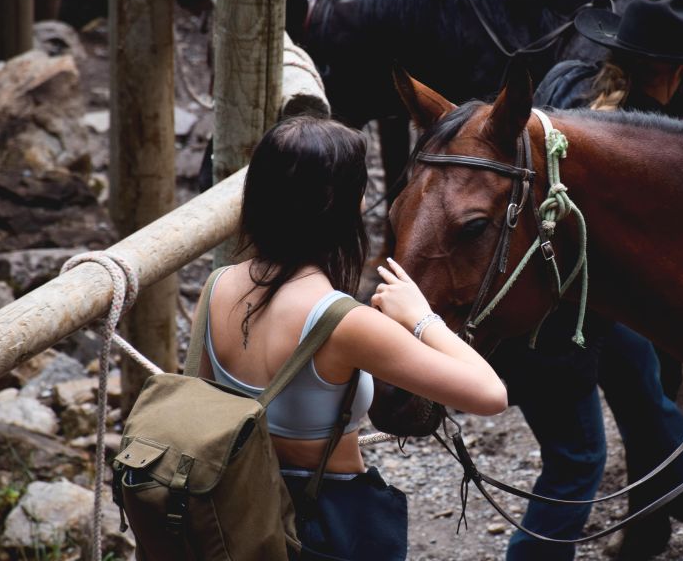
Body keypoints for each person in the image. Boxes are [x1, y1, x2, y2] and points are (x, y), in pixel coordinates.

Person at [491, 0, 683, 561]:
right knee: (577, 460)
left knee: (637, 370)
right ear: (669, 72)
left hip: (562, 290)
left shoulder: (566, 79)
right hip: (558, 310)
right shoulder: (654, 135)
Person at [197, 116, 508, 560]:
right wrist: (422, 318)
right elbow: (490, 394)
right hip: (328, 525)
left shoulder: (216, 287)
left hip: (242, 516)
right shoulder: (343, 323)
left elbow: (210, 400)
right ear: (342, 205)